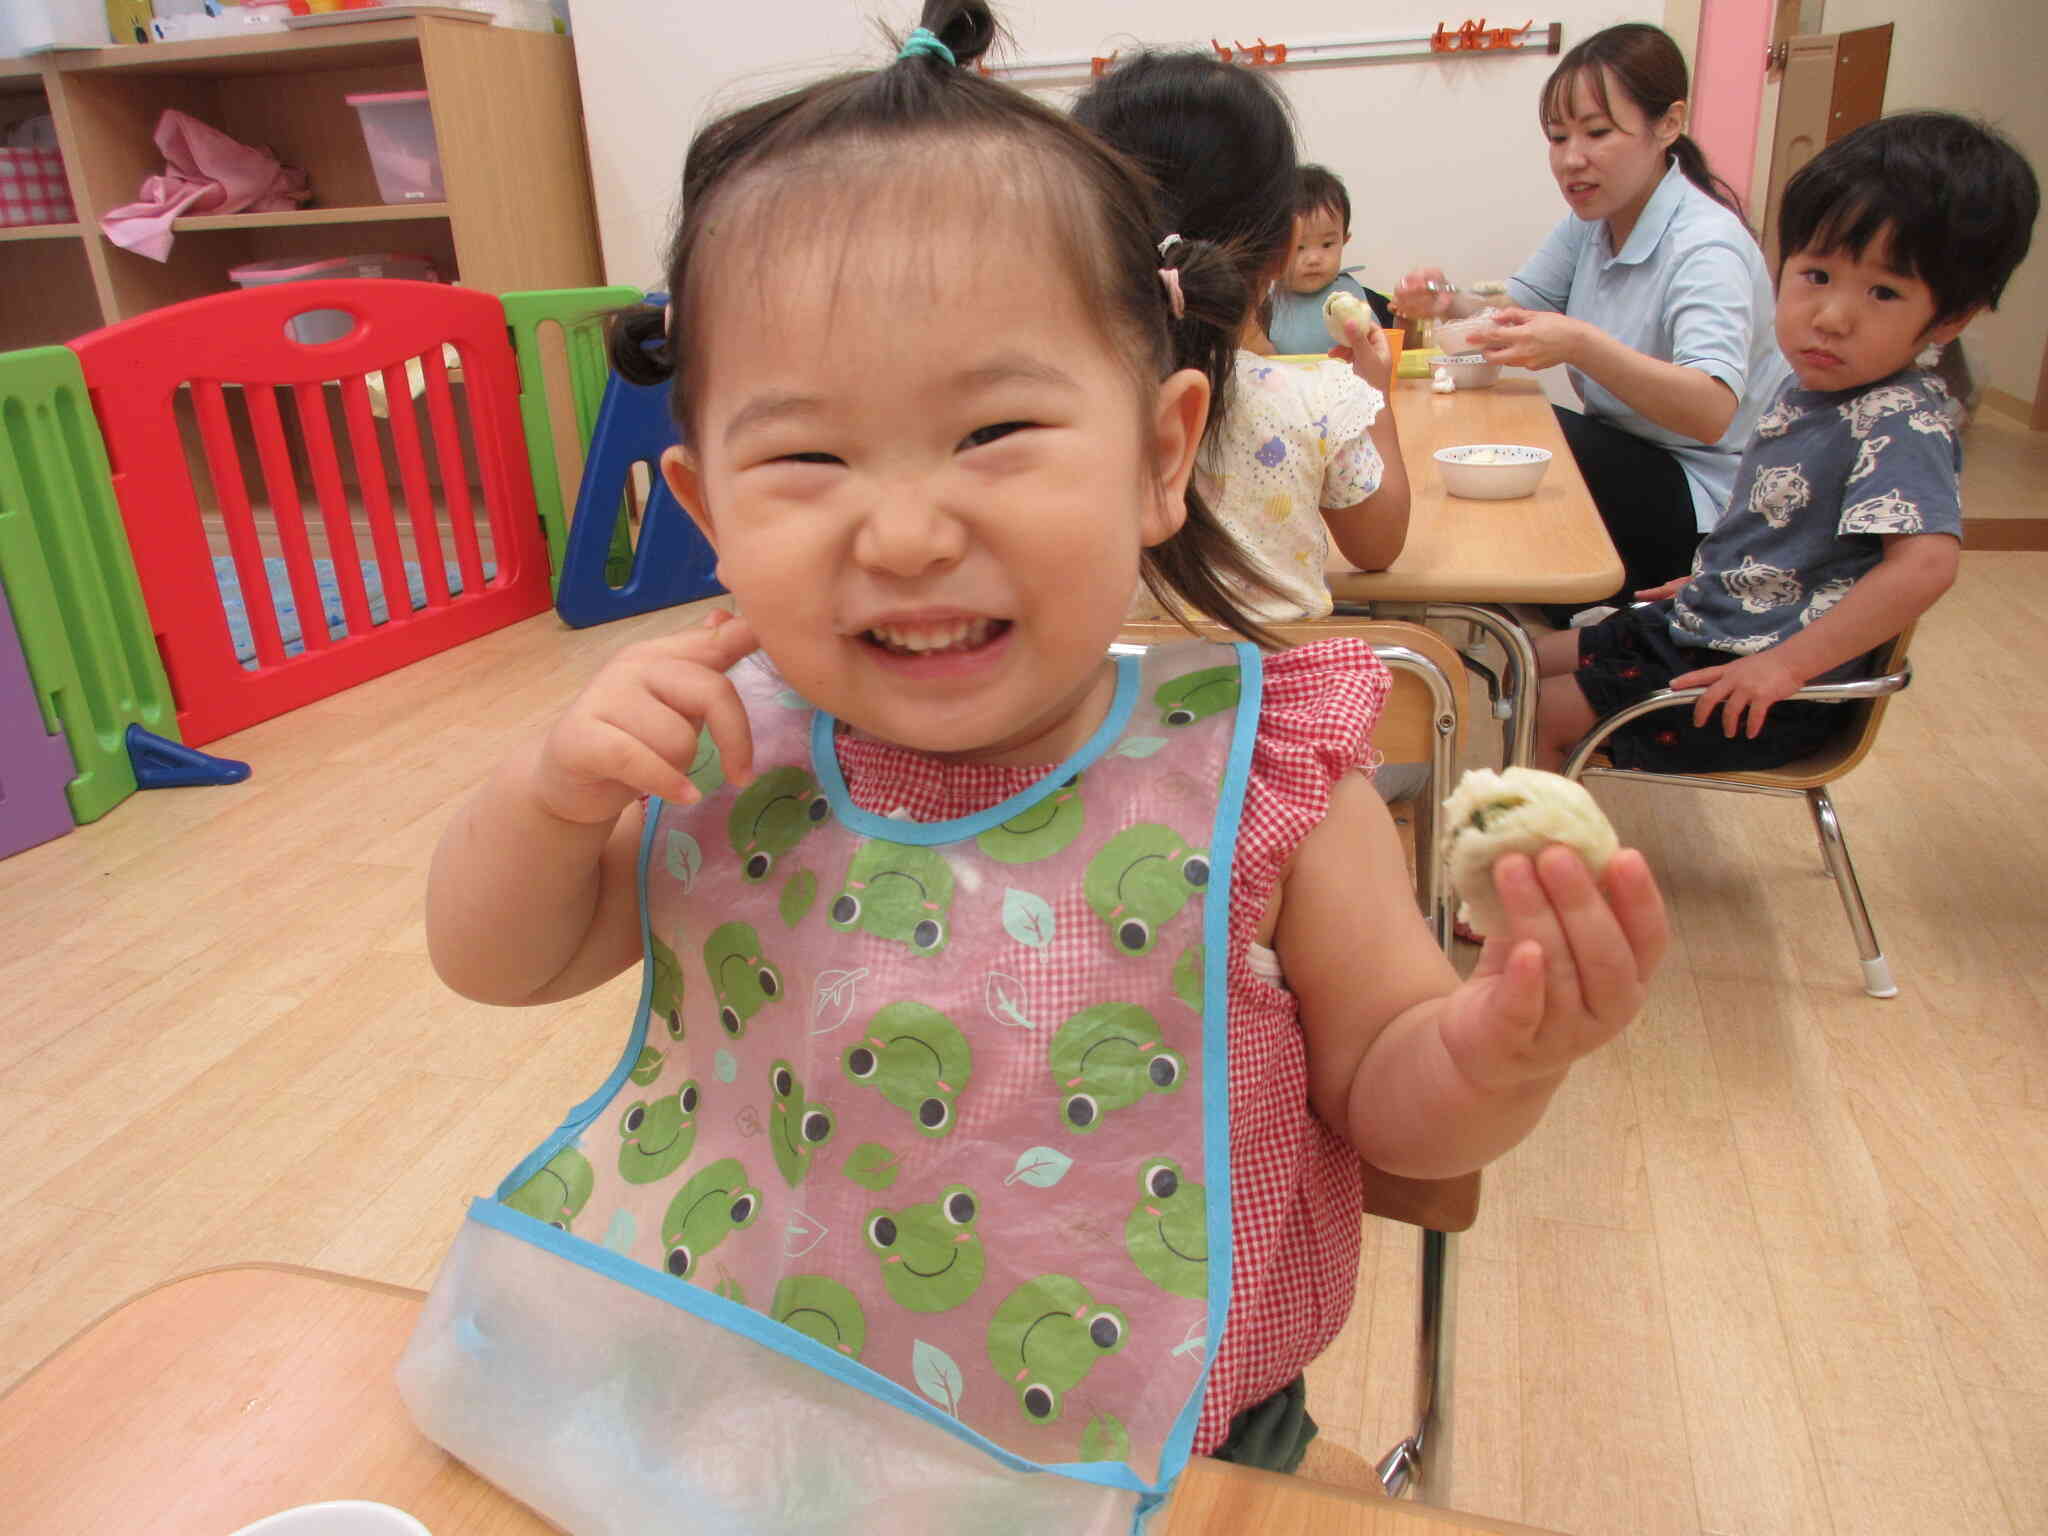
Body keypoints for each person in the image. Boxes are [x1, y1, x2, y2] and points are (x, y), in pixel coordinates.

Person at [420, 2, 1667, 1509]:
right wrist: (548, 801)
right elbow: (496, 959)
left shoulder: (1259, 778)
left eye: (997, 430)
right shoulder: (720, 751)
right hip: (765, 1411)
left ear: (1158, 452)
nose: (904, 530)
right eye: (807, 459)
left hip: (1174, 1454)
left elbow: (1396, 1097)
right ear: (703, 502)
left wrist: (1493, 1053)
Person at [1533, 111, 2039, 775]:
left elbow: (1925, 566)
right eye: (1816, 275)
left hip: (1761, 681)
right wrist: (1729, 576)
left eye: (1883, 291)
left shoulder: (1899, 420)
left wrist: (1784, 666)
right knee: (1514, 657)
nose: (1830, 317)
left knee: (1536, 715)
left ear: (1948, 317)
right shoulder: (1813, 390)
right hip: (1713, 625)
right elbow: (1803, 535)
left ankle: (1537, 872)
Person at [1396, 22, 1788, 617]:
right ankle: (1500, 613)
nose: (1571, 159)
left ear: (1668, 125)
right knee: (1496, 429)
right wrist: (1446, 298)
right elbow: (1518, 308)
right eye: (1557, 137)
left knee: (1514, 443)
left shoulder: (1707, 247)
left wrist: (1580, 344)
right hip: (1636, 461)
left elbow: (1711, 411)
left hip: (1706, 502)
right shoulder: (1595, 220)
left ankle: (1517, 614)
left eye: (1598, 133)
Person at [1074, 53, 1412, 622]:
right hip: (1271, 707)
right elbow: (1377, 548)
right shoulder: (1317, 402)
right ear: (1282, 248)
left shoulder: (1045, 423)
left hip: (1103, 709)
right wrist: (1370, 397)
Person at [1266, 164, 1396, 356]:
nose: (1313, 259)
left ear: (1344, 240)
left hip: (1353, 385)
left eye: (1327, 244)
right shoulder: (1263, 308)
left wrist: (1407, 316)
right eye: (1299, 247)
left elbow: (1402, 347)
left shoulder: (1362, 299)